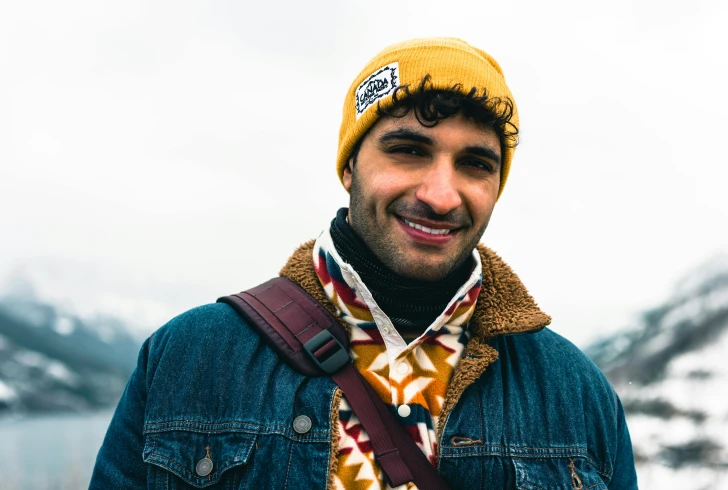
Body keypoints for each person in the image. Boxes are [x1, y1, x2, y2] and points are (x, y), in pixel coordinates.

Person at [90, 37, 637, 489]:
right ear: (349, 167)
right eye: (409, 150)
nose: (442, 195)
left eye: (474, 163)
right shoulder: (189, 358)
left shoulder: (576, 392)